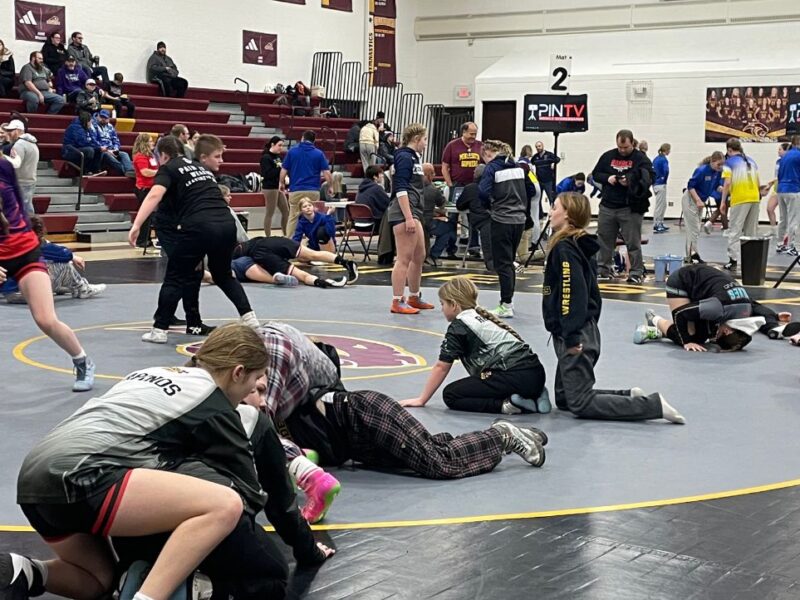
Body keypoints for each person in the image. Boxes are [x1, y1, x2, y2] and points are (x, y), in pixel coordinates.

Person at [1, 325, 274, 600]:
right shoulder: (210, 400)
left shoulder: (150, 373)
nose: (253, 393)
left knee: (98, 580)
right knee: (225, 504)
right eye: (255, 382)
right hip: (81, 474)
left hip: (33, 479)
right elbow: (247, 494)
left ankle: (24, 570)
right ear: (238, 372)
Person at [112, 371, 335, 599]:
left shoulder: (161, 401)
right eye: (257, 390)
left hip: (130, 522)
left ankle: (134, 572)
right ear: (238, 379)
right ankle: (195, 587)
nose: (262, 401)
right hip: (202, 527)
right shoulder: (249, 418)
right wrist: (310, 551)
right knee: (272, 575)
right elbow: (282, 507)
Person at [250, 321, 548, 486]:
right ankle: (505, 438)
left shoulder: (274, 359)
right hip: (357, 442)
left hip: (362, 414)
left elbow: (261, 425)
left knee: (438, 463)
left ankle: (502, 435)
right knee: (433, 450)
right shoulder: (283, 394)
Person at [542, 191, 684, 423]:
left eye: (555, 207)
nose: (550, 212)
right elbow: (592, 294)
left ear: (568, 214)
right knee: (565, 398)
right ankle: (628, 396)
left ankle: (652, 406)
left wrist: (572, 334)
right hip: (578, 328)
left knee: (579, 403)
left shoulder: (566, 249)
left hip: (575, 332)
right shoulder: (578, 245)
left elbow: (572, 292)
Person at [128, 135, 260, 343]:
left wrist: (137, 225)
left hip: (199, 225)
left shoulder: (169, 167)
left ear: (163, 155)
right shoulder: (201, 169)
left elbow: (154, 195)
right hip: (227, 224)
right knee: (223, 275)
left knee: (175, 276)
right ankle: (250, 318)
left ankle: (160, 329)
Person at [0, 159, 95, 391]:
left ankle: (83, 362)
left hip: (25, 252)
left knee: (45, 318)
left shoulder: (4, 167)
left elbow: (22, 210)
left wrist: (38, 242)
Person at [401, 277, 550, 415]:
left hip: (514, 378)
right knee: (484, 379)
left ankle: (508, 405)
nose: (442, 309)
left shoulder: (459, 326)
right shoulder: (482, 316)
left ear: (453, 305)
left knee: (451, 394)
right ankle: (536, 394)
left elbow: (442, 366)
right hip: (536, 375)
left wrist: (421, 399)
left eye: (442, 304)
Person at [633, 264, 764, 353]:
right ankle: (654, 319)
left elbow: (761, 309)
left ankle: (659, 332)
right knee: (692, 337)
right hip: (682, 282)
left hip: (703, 288)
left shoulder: (746, 311)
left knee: (702, 335)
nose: (714, 339)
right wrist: (686, 342)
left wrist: (773, 325)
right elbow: (680, 314)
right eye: (719, 336)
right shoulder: (718, 309)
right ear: (727, 331)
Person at [479, 139, 538, 318]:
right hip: (518, 220)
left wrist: (490, 206)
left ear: (489, 153)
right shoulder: (520, 168)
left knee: (503, 263)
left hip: (501, 219)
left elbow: (482, 191)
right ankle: (508, 301)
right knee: (510, 262)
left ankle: (506, 304)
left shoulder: (492, 168)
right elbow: (532, 190)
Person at [592, 129, 653, 284]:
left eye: (625, 147)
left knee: (633, 242)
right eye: (620, 147)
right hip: (608, 205)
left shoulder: (641, 159)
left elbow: (649, 177)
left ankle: (636, 272)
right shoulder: (608, 156)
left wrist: (631, 181)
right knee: (604, 239)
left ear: (632, 143)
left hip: (629, 207)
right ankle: (603, 269)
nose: (622, 150)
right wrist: (609, 178)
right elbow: (596, 174)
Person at [3, 215, 105, 302]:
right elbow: (62, 254)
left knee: (39, 263)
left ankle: (60, 287)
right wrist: (73, 256)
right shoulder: (34, 246)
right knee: (64, 265)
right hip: (26, 293)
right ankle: (82, 289)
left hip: (10, 294)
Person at [387, 123, 434, 314]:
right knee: (404, 258)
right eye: (424, 139)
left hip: (414, 210)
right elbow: (401, 187)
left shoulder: (414, 158)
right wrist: (407, 217)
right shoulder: (405, 156)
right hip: (404, 211)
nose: (425, 143)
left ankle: (414, 296)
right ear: (416, 139)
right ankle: (397, 300)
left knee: (419, 255)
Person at [231, 235, 356, 289]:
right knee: (313, 254)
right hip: (270, 241)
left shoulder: (235, 257)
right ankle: (346, 262)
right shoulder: (241, 242)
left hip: (261, 254)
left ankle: (322, 282)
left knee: (300, 274)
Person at [280, 130, 333, 237]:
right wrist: (330, 186)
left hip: (296, 189)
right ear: (314, 141)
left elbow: (283, 170)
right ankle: (315, 240)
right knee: (313, 215)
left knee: (293, 216)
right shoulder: (319, 153)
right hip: (313, 190)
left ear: (302, 138)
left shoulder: (292, 152)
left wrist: (281, 183)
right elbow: (327, 173)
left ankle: (290, 241)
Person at [721, 138, 762, 272]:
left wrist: (723, 202)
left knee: (735, 230)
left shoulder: (729, 162)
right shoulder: (752, 161)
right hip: (754, 197)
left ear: (729, 150)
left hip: (740, 198)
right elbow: (757, 181)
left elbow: (727, 183)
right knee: (751, 232)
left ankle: (733, 260)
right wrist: (759, 195)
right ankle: (751, 261)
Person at [683, 152, 724, 264]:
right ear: (712, 161)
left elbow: (716, 186)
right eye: (718, 164)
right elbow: (691, 186)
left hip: (700, 201)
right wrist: (697, 200)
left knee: (695, 228)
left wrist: (724, 189)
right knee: (694, 229)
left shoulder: (717, 172)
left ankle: (690, 254)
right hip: (691, 199)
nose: (720, 167)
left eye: (722, 165)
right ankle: (692, 255)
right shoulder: (701, 170)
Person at [457, 164, 494, 271]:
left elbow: (460, 205)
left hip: (481, 221)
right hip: (497, 218)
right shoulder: (493, 186)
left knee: (490, 254)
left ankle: (474, 247)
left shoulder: (470, 188)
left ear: (476, 175)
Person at [2, 120, 39, 215]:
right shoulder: (33, 143)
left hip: (21, 181)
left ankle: (28, 228)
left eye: (11, 130)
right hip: (30, 180)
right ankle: (33, 227)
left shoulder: (19, 144)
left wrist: (3, 156)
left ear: (18, 130)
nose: (9, 133)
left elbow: (16, 164)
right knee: (28, 208)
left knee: (22, 211)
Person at [131, 133, 158, 248]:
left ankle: (147, 239)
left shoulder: (151, 156)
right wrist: (160, 172)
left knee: (150, 216)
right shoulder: (140, 156)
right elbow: (145, 172)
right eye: (151, 141)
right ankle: (141, 240)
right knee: (146, 216)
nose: (153, 143)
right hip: (143, 189)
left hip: (151, 187)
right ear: (144, 143)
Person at [441, 122, 483, 196]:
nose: (473, 136)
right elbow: (444, 167)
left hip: (476, 185)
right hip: (457, 185)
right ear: (464, 132)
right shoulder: (451, 145)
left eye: (475, 134)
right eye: (471, 134)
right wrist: (450, 185)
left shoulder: (481, 146)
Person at [776, 135, 800, 256]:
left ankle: (780, 243)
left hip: (781, 189)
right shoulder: (798, 155)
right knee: (794, 219)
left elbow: (779, 174)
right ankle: (792, 246)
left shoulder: (785, 156)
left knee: (783, 218)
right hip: (793, 189)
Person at [260, 135, 288, 237]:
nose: (281, 148)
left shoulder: (278, 157)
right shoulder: (266, 157)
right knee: (270, 213)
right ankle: (268, 236)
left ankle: (286, 234)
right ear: (273, 144)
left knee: (286, 211)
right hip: (270, 188)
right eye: (279, 145)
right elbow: (267, 174)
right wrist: (280, 169)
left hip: (278, 186)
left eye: (282, 146)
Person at [94, 110, 134, 176]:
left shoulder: (110, 126)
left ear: (108, 119)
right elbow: (94, 141)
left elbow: (116, 140)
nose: (103, 119)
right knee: (108, 156)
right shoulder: (93, 126)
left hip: (112, 150)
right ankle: (124, 172)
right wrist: (108, 151)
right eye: (101, 117)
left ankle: (129, 170)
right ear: (98, 116)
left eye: (105, 118)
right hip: (102, 151)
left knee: (124, 154)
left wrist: (115, 149)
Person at [531, 140, 560, 205]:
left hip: (548, 181)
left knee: (551, 198)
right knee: (538, 199)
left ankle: (552, 212)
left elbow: (558, 159)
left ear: (542, 146)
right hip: (539, 181)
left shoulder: (549, 154)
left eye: (539, 146)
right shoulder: (535, 157)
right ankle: (540, 214)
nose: (538, 148)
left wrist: (553, 164)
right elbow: (530, 163)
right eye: (536, 147)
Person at [652, 143, 671, 233]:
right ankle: (657, 224)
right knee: (660, 205)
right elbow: (666, 170)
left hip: (655, 183)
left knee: (662, 204)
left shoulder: (656, 159)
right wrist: (664, 179)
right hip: (661, 184)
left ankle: (660, 222)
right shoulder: (663, 160)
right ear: (666, 150)